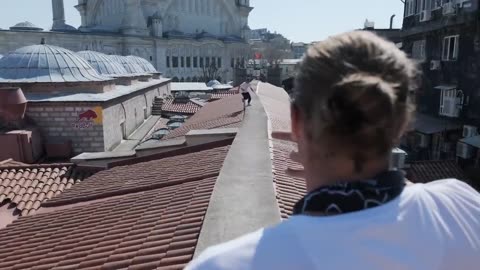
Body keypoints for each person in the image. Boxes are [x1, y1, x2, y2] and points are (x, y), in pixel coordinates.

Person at [186, 31, 480, 270]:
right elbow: (406, 205)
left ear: (297, 121)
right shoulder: (464, 206)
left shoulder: (225, 264)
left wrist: (323, 158)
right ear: (402, 123)